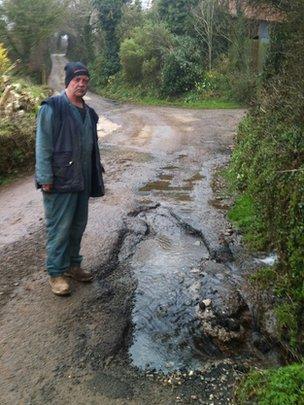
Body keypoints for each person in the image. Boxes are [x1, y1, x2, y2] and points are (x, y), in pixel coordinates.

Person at [35, 61, 105, 296]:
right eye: (77, 80)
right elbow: (43, 145)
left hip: (82, 180)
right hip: (60, 180)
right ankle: (56, 273)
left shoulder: (90, 113)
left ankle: (73, 266)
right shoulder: (52, 107)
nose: (82, 84)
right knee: (59, 227)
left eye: (85, 80)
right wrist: (45, 176)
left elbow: (91, 146)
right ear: (68, 82)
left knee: (77, 226)